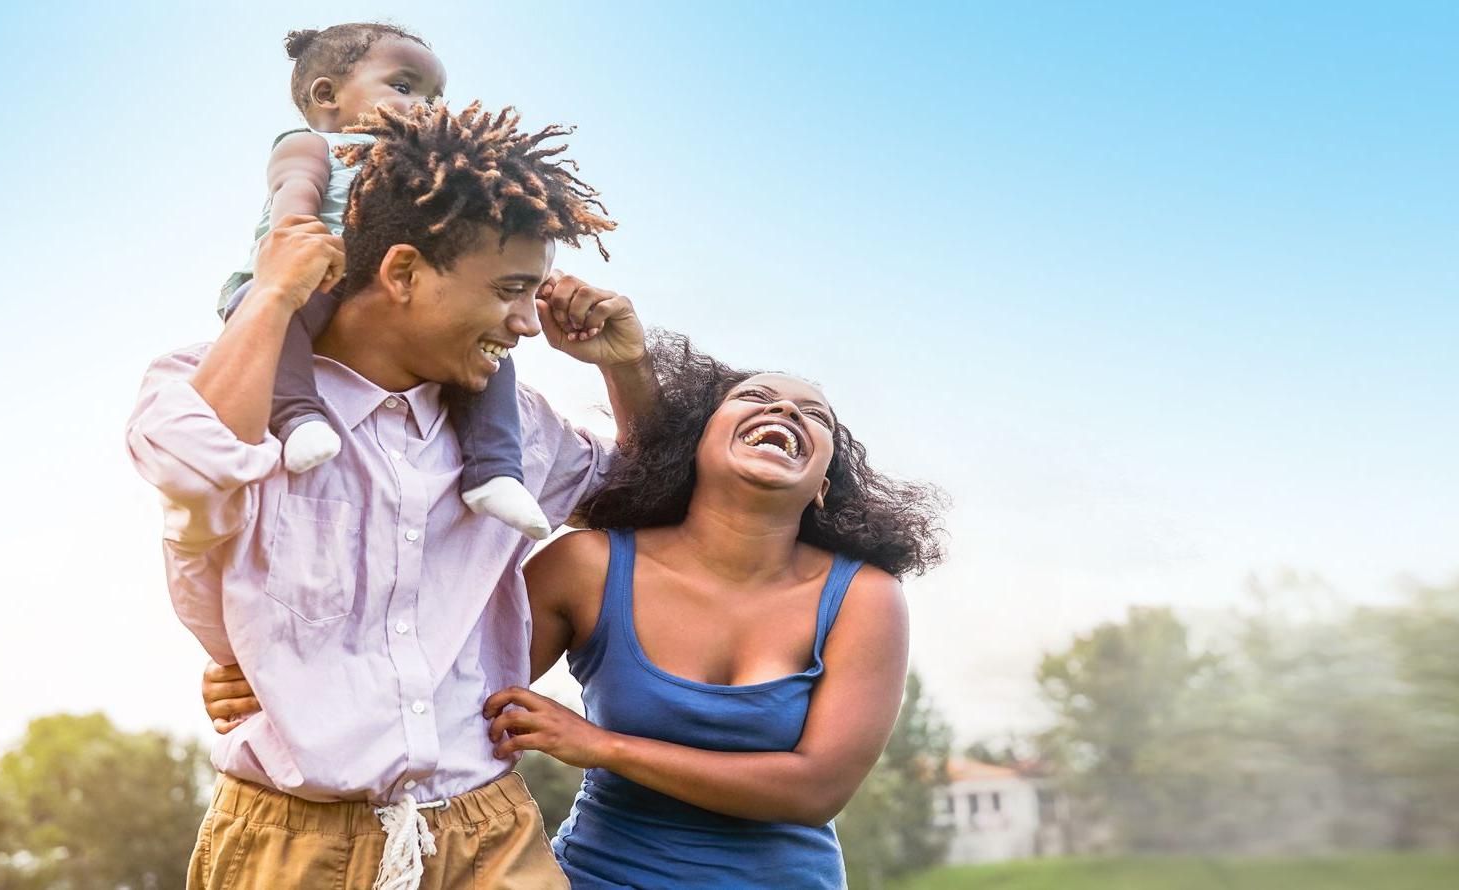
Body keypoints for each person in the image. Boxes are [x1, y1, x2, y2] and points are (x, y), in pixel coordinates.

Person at [129, 98, 649, 890]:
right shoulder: (207, 381)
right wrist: (272, 295)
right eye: (509, 289)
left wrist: (624, 366)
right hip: (289, 844)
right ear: (402, 271)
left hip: (489, 831)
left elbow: (653, 501)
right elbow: (194, 474)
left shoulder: (520, 431)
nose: (526, 324)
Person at [207, 334, 947, 888]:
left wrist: (598, 744)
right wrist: (288, 683)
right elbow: (435, 686)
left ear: (822, 483)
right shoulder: (588, 564)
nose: (785, 408)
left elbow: (816, 789)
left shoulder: (864, 596)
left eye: (812, 415)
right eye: (755, 398)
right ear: (696, 442)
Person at [221, 22, 556, 539]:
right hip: (313, 271)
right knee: (266, 313)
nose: (425, 107)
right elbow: (294, 190)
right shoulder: (312, 146)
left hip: (384, 288)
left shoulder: (425, 167)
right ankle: (297, 418)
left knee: (493, 358)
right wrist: (294, 241)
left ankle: (494, 471)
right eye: (404, 88)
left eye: (435, 97)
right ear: (327, 96)